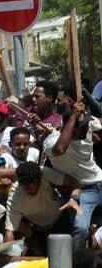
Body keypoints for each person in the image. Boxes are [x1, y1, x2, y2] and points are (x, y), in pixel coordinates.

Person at [43, 100, 102, 248]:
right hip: (81, 191)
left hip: (100, 181)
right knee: (81, 228)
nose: (86, 130)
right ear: (69, 127)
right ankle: (76, 266)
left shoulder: (88, 125)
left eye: (86, 126)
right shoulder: (51, 141)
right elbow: (60, 149)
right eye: (81, 127)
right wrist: (72, 118)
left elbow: (98, 122)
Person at [4, 161, 75, 255]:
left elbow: (70, 181)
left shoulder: (45, 173)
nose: (30, 189)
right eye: (26, 187)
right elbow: (10, 231)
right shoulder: (15, 199)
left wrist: (73, 197)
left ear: (40, 180)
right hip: (40, 230)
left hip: (61, 218)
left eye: (33, 185)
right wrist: (8, 254)